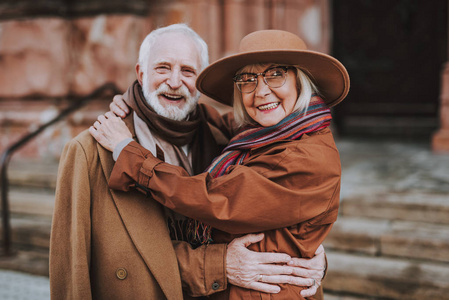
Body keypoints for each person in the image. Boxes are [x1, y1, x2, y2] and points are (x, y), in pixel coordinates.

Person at [51, 24, 326, 300]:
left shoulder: (229, 140)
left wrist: (312, 256)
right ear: (141, 73)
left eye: (187, 71)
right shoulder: (90, 151)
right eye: (162, 68)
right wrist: (220, 265)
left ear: (199, 84)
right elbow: (73, 270)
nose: (173, 81)